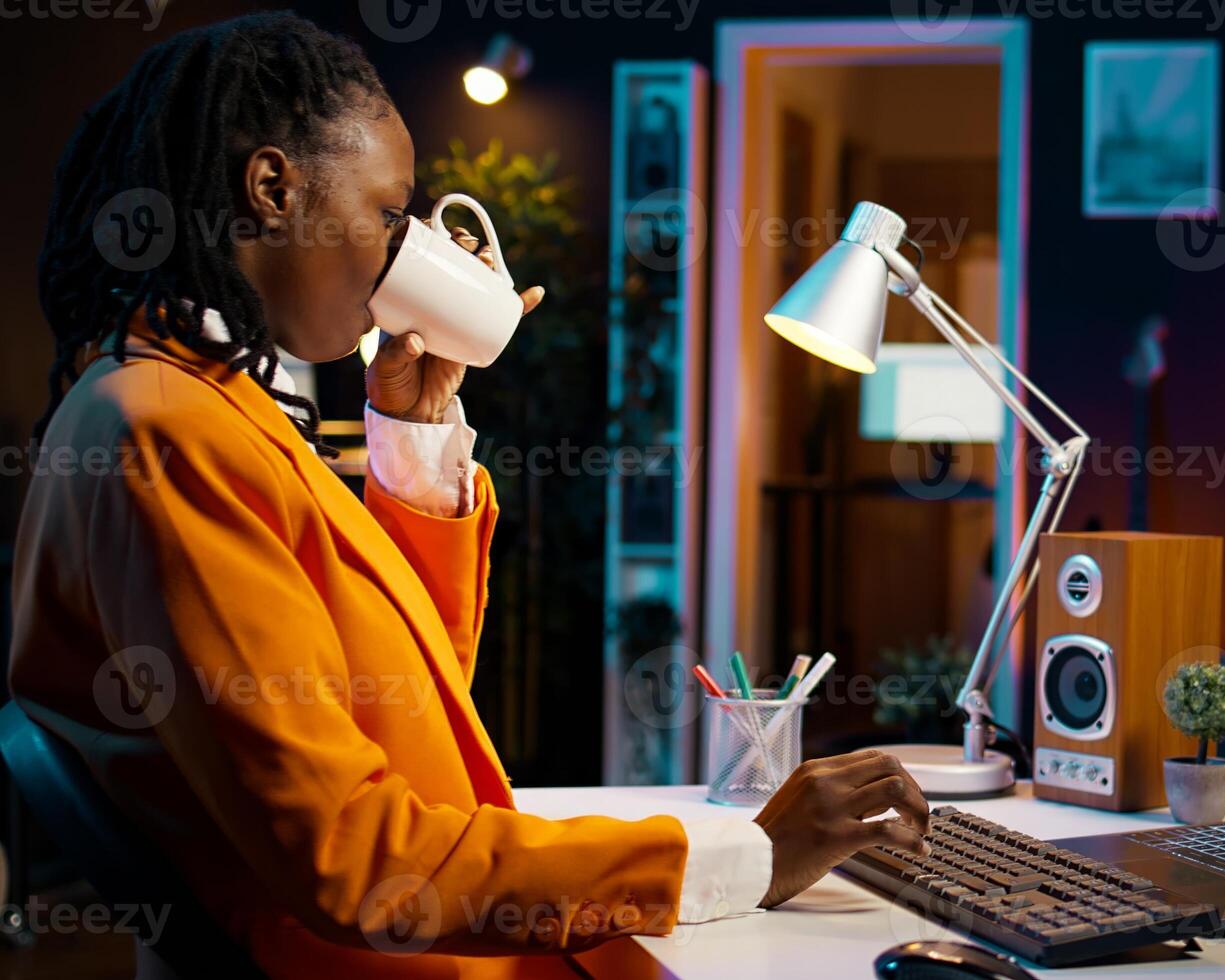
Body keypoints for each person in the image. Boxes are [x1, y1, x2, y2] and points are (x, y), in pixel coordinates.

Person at [10, 14, 929, 976]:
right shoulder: (166, 430)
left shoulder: (193, 403)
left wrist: (411, 436)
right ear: (274, 189)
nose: (402, 254)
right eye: (388, 214)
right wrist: (749, 856)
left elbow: (401, 701)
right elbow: (359, 861)